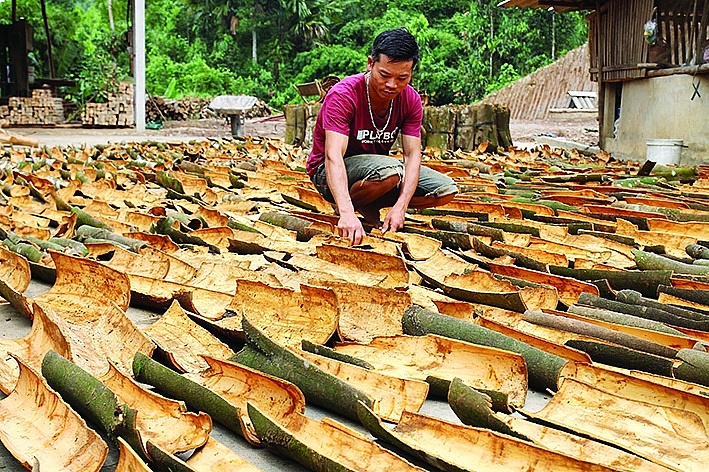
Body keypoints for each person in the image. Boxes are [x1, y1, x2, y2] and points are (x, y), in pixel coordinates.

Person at [306, 27, 458, 245]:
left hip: (377, 172)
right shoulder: (343, 94)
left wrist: (401, 207)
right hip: (327, 174)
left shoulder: (411, 100)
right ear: (370, 64)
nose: (391, 85)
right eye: (384, 75)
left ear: (412, 73)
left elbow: (412, 155)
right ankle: (350, 205)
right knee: (392, 171)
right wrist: (347, 212)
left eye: (402, 78)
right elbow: (332, 156)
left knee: (445, 190)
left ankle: (370, 203)